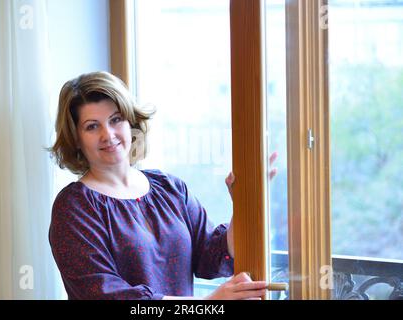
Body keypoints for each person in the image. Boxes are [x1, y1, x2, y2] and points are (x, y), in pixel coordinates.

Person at [48, 71, 271, 300]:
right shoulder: (73, 207)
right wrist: (208, 304)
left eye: (116, 119)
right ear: (76, 138)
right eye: (92, 126)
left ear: (131, 122)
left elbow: (212, 256)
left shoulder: (168, 187)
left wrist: (243, 202)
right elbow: (106, 296)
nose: (108, 134)